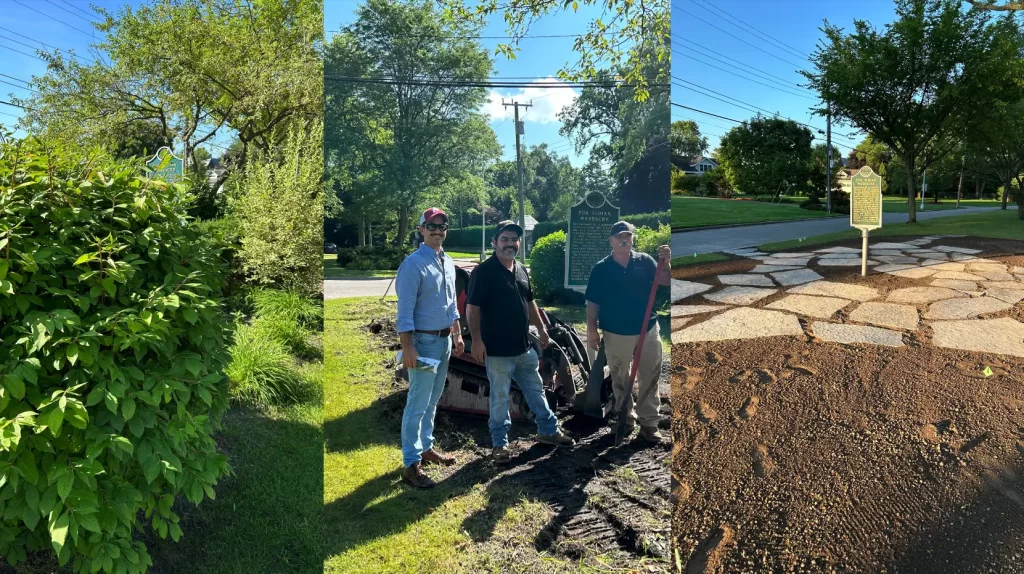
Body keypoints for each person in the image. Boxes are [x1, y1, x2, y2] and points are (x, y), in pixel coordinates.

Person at [466, 220, 576, 464]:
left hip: (523, 347)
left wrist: (542, 329)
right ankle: (499, 445)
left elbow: (529, 303)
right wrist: (477, 341)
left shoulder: (521, 269)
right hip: (496, 350)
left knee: (536, 390)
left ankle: (548, 431)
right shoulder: (484, 272)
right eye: (504, 239)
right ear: (494, 242)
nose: (510, 244)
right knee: (500, 397)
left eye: (514, 240)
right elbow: (472, 309)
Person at [394, 207, 465, 488]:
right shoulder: (413, 265)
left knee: (433, 399)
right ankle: (411, 464)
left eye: (442, 226)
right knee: (417, 403)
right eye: (432, 226)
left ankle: (426, 447)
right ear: (421, 229)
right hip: (422, 343)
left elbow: (452, 306)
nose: (438, 231)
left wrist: (457, 334)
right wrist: (407, 347)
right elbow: (404, 311)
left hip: (444, 340)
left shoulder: (447, 261)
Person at [585, 221, 671, 444]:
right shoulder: (601, 268)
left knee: (650, 376)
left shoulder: (645, 261)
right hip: (616, 331)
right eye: (619, 236)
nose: (624, 239)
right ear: (611, 241)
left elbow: (666, 281)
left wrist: (667, 263)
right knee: (620, 377)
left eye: (628, 236)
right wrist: (592, 330)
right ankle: (625, 418)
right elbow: (592, 303)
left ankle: (649, 424)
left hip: (648, 328)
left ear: (632, 239)